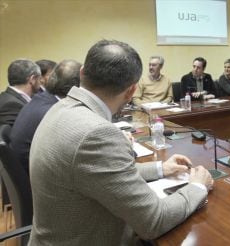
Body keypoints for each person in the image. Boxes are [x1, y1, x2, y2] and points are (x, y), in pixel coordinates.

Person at [29, 40, 213, 245]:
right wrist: (197, 187)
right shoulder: (97, 134)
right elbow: (154, 221)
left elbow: (102, 173)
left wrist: (161, 168)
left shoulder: (59, 107)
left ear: (82, 73)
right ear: (131, 91)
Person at [10, 60, 81, 175]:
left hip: (27, 169)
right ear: (77, 87)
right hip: (35, 177)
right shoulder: (53, 111)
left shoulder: (42, 99)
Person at [0, 59, 41, 126]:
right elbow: (8, 135)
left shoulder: (7, 97)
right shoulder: (11, 105)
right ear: (32, 79)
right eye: (39, 78)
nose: (41, 82)